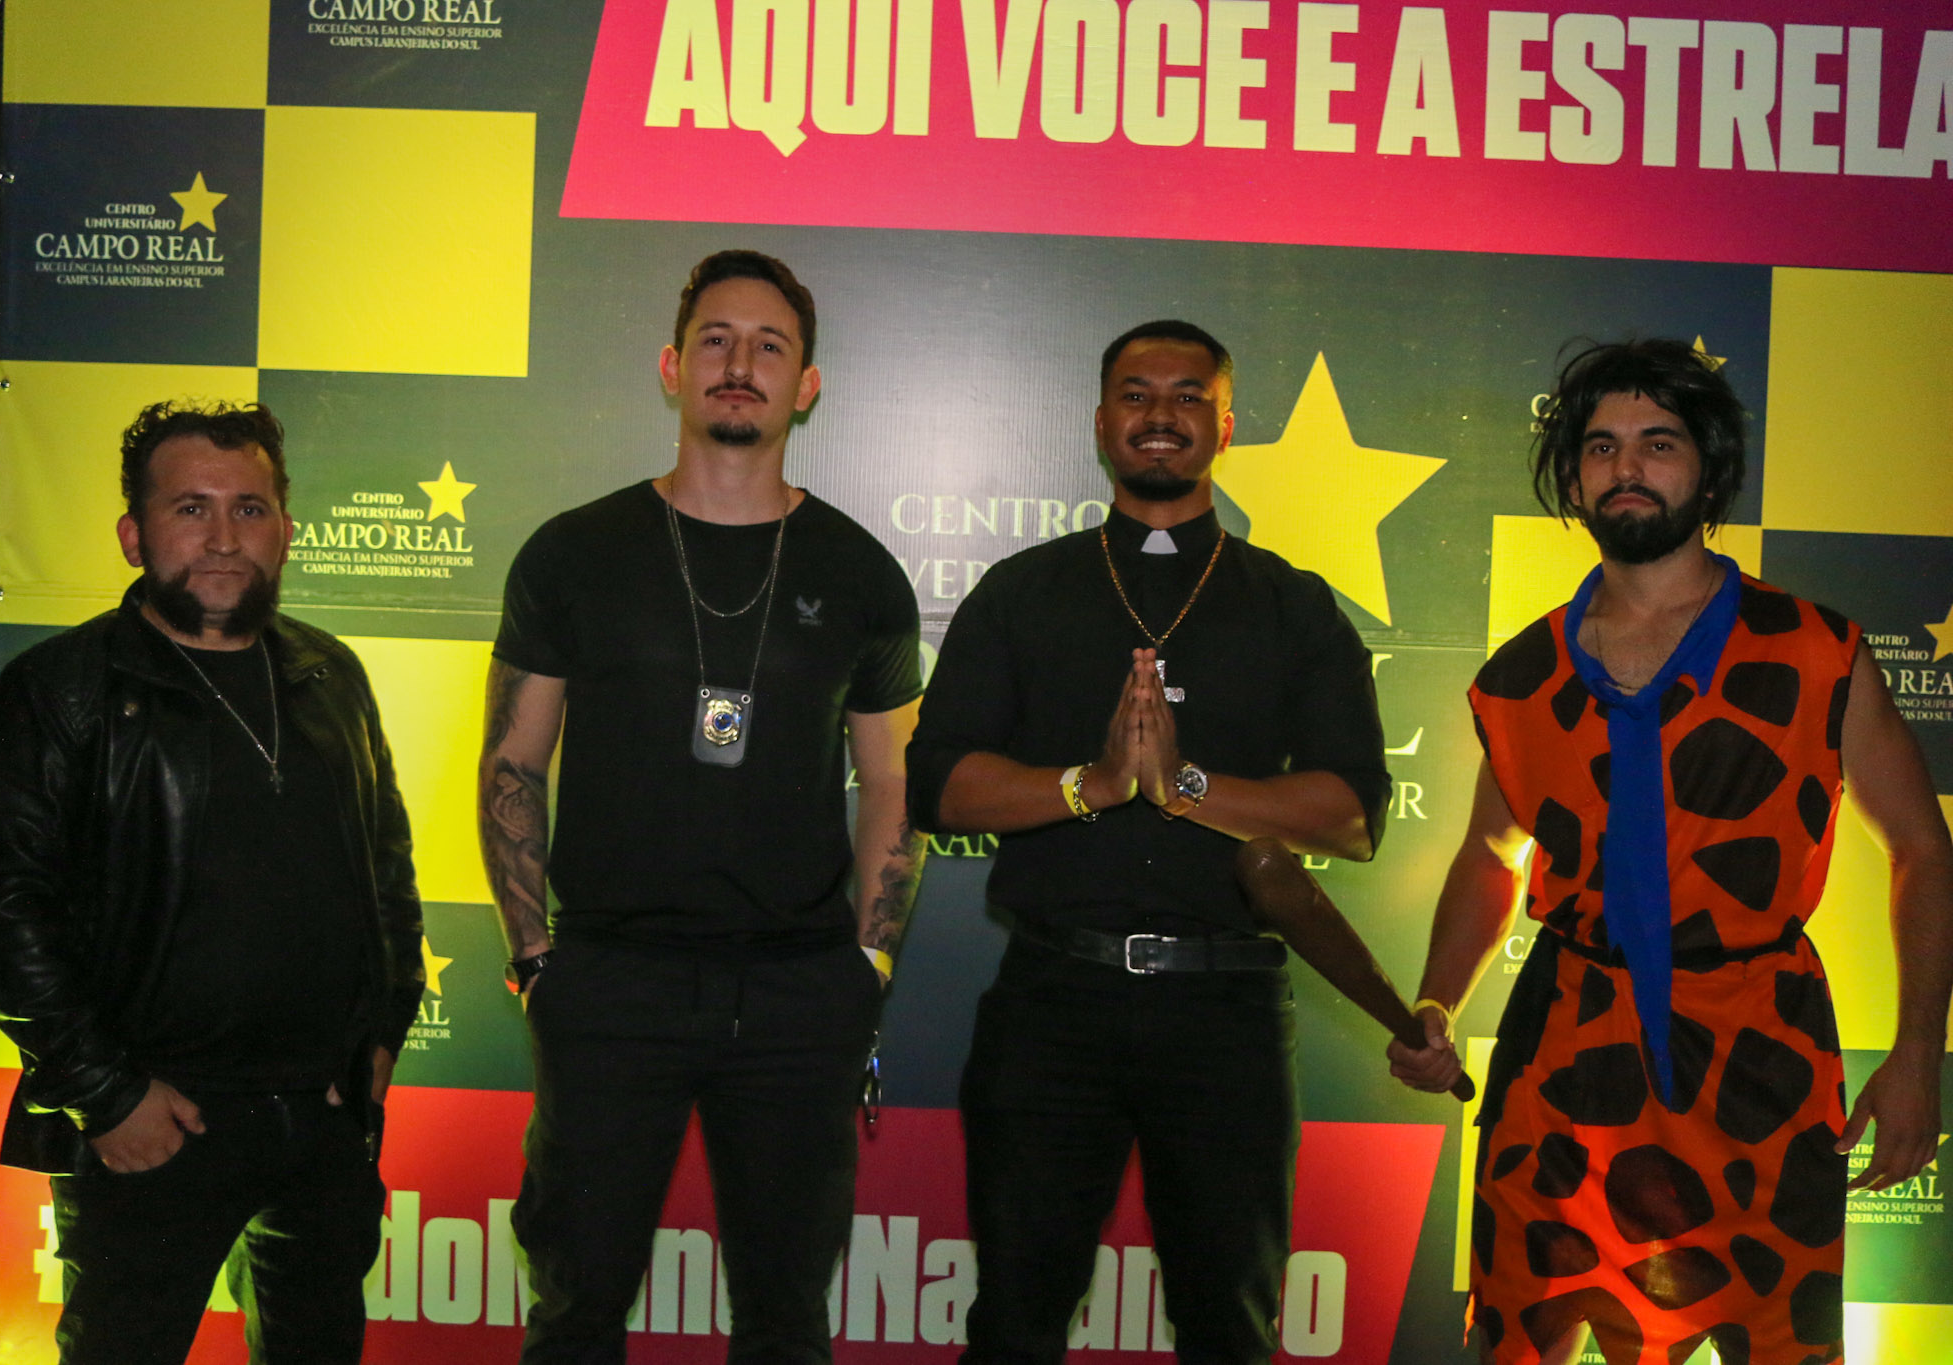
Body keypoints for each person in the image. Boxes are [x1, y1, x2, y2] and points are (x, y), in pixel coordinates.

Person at [1388, 340, 1953, 1365]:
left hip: (1759, 1051)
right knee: (1524, 1338)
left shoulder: (1813, 649)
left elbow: (1920, 846)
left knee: (1778, 1343)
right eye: (1600, 446)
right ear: (1572, 481)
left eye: (1658, 442)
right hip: (1562, 1057)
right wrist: (1436, 1000)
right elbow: (1487, 852)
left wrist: (1916, 1054)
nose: (1626, 466)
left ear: (1708, 470)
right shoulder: (1520, 675)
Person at [906, 320, 1392, 1365]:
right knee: (1014, 1323)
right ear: (1099, 422)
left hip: (1226, 1015)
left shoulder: (1291, 605)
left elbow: (1352, 815)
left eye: (1187, 395)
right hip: (1052, 1007)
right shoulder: (1023, 592)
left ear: (1225, 425)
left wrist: (1186, 790)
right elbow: (937, 784)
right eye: (1135, 394)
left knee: (1230, 1329)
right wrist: (1092, 786)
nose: (1160, 415)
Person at [480, 249, 925, 1365]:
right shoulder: (572, 553)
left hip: (794, 993)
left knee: (785, 1322)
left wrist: (867, 960)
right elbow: (513, 763)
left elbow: (892, 782)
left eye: (770, 346)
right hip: (609, 983)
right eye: (716, 340)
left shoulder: (860, 572)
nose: (740, 363)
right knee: (575, 1312)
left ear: (805, 385)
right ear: (672, 367)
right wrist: (534, 955)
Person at [0, 400, 426, 1365]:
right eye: (190, 508)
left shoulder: (329, 674)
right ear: (134, 535)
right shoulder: (64, 688)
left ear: (286, 530)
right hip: (155, 1129)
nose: (223, 537)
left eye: (249, 508)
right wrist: (108, 1094)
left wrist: (380, 1033)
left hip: (323, 1123)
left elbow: (387, 871)